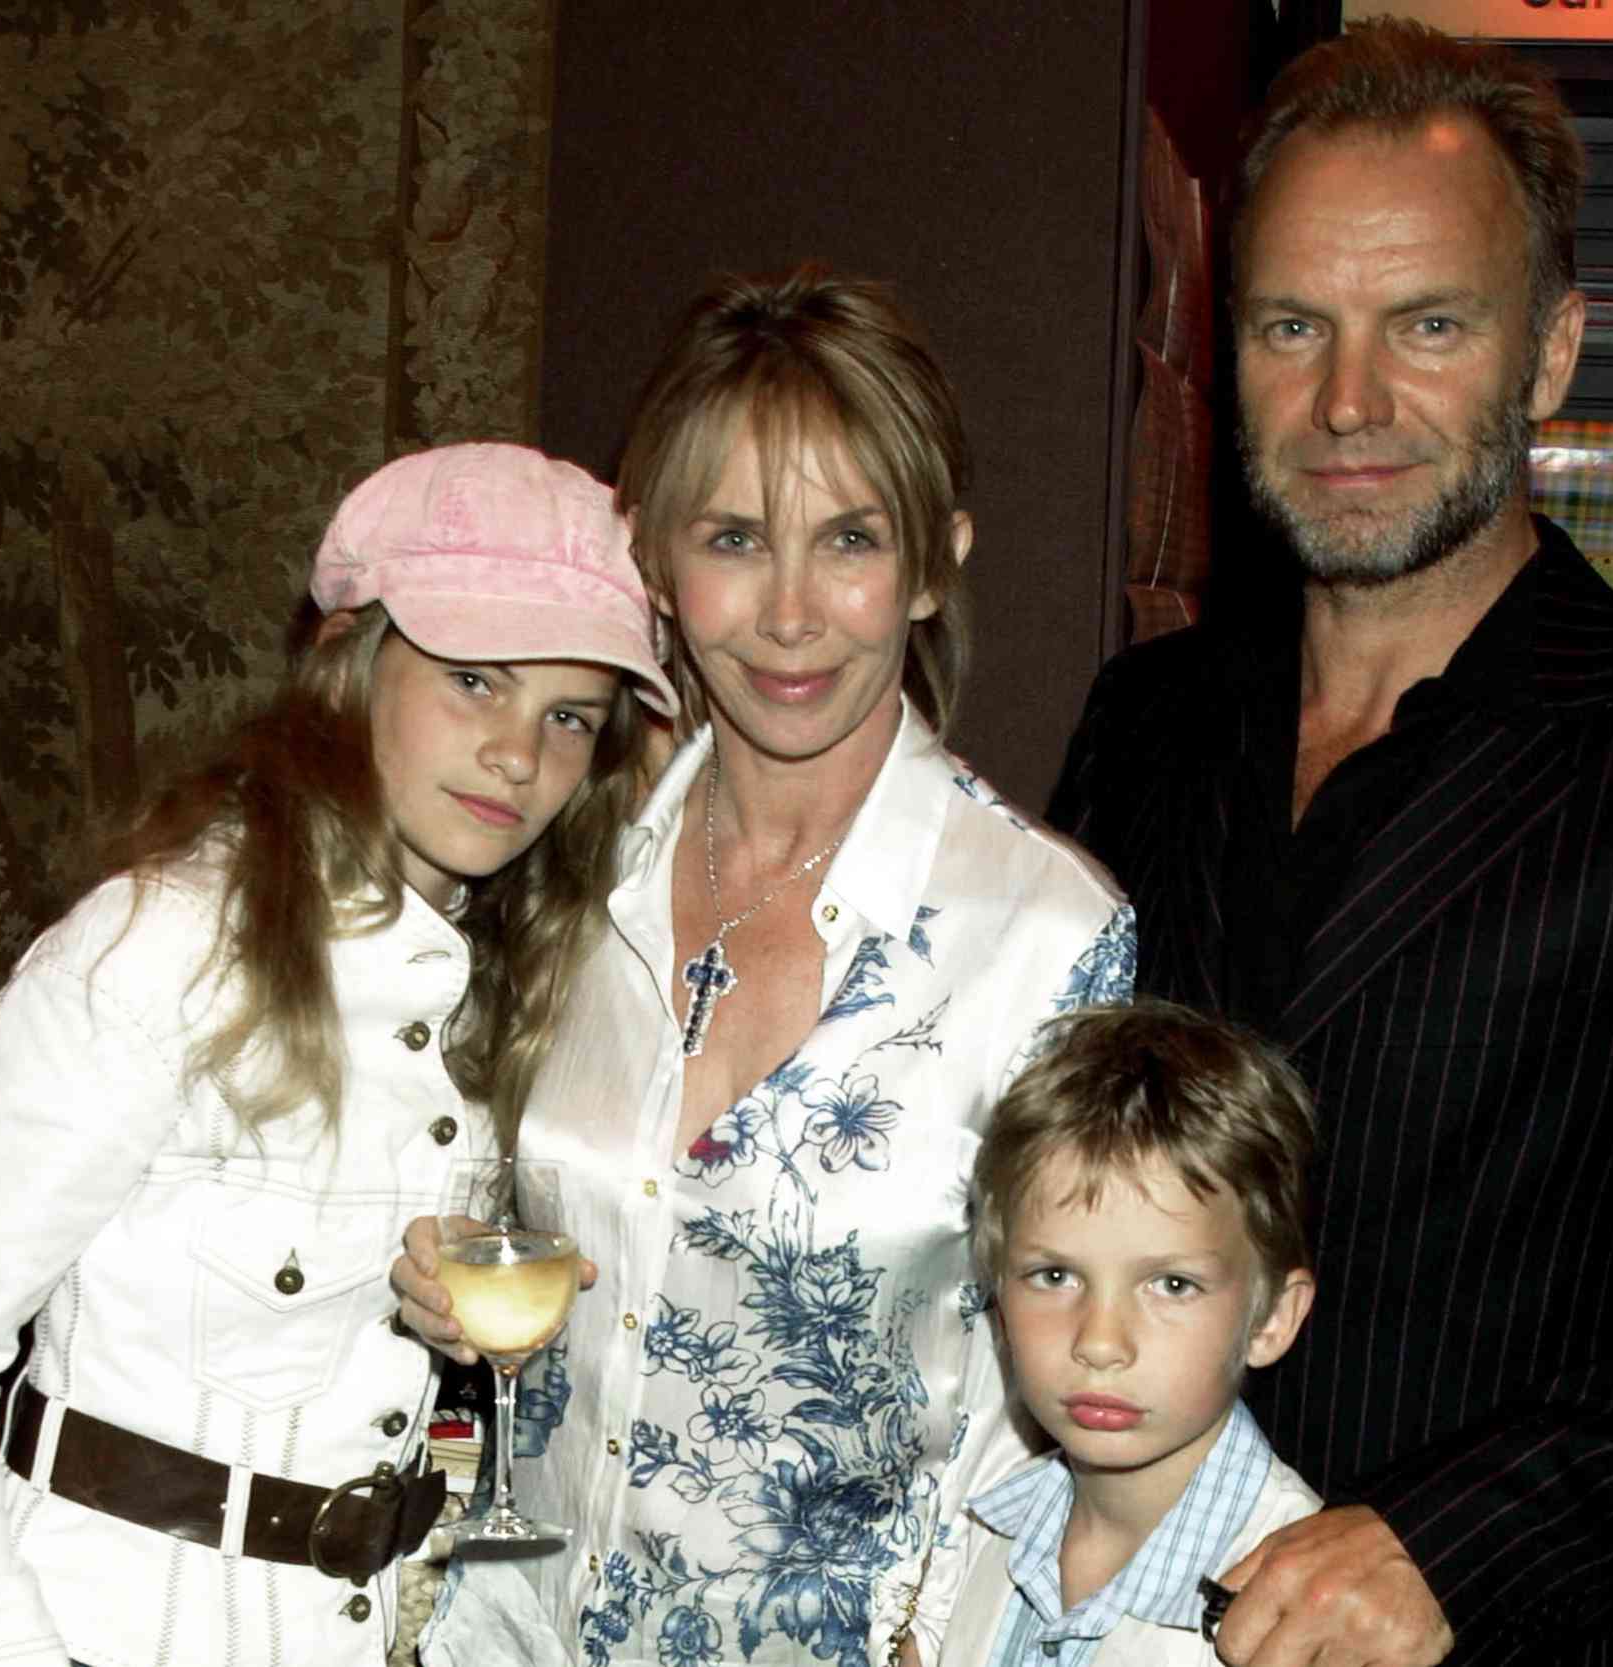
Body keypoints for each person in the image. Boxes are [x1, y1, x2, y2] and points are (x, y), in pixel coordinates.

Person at [1048, 20, 1613, 1667]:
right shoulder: (1141, 718)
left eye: (1427, 324)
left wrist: (1448, 1541)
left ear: (1551, 354)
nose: (1348, 399)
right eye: (1295, 324)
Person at [398, 265, 1136, 1667]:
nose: (790, 611)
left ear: (933, 562)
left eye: (849, 538)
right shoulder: (556, 859)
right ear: (658, 561)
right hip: (502, 1633)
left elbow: (1078, 1397)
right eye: (735, 535)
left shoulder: (1045, 937)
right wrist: (432, 1281)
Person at [0, 443, 677, 1667]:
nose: (521, 755)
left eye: (568, 713)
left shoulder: (505, 977)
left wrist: (447, 1331)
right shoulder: (164, 945)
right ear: (346, 665)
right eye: (474, 678)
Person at [940, 1000, 1319, 1667]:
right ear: (997, 1297)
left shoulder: (1305, 1619)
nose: (1101, 1341)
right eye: (1055, 1274)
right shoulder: (974, 1537)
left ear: (1271, 1319)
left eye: (1172, 1284)